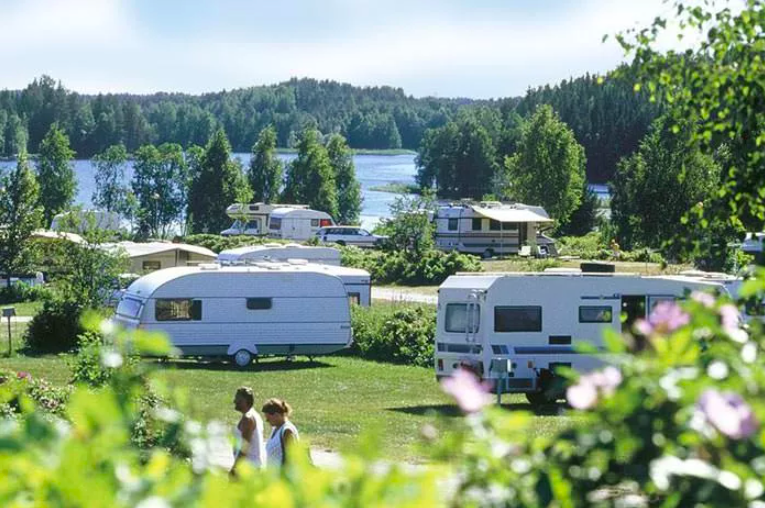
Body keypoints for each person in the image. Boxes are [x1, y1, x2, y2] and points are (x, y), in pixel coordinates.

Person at [231, 387, 266, 475]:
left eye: (237, 398)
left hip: (249, 469)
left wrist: (235, 468)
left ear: (244, 401)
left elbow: (244, 447)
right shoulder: (253, 415)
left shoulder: (248, 418)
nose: (234, 401)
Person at [262, 398, 300, 467]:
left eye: (268, 418)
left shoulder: (287, 431)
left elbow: (291, 459)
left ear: (276, 415)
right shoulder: (275, 428)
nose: (266, 420)